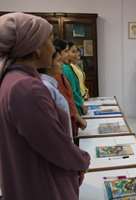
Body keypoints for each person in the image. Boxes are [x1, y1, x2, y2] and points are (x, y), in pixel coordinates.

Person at [0, 12, 90, 200]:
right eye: (50, 40)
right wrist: (83, 159)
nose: (53, 48)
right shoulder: (25, 87)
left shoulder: (15, 80)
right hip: (43, 185)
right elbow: (56, 145)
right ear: (37, 48)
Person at [53, 39, 87, 138]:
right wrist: (78, 111)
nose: (68, 54)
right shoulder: (62, 70)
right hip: (72, 113)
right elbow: (68, 95)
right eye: (66, 51)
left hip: (75, 110)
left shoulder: (66, 68)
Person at [62, 42, 87, 115]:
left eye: (76, 51)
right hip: (76, 108)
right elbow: (72, 91)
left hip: (78, 106)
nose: (76, 54)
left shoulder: (69, 67)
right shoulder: (66, 68)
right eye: (73, 52)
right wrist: (81, 105)